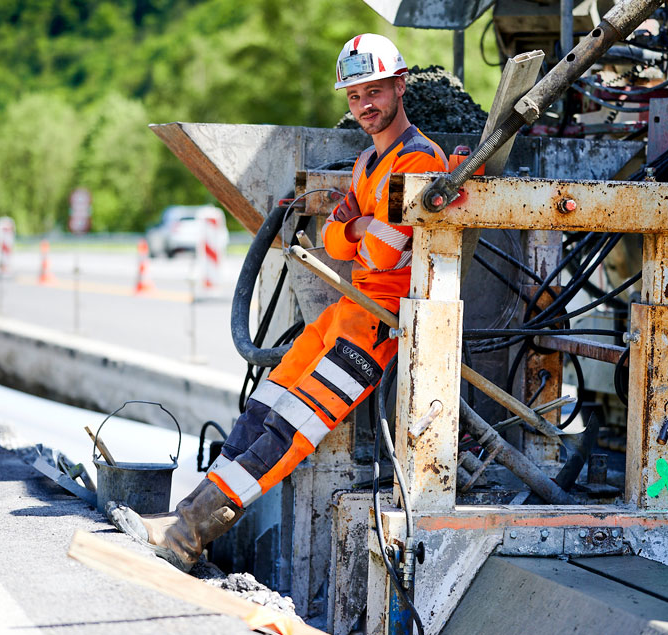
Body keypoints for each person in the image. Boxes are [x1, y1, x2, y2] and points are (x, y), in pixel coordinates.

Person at [108, 33, 448, 572]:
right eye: (355, 96)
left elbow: (382, 254)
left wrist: (353, 225)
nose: (364, 106)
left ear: (400, 86)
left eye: (374, 91)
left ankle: (190, 534)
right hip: (347, 310)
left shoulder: (419, 160)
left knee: (289, 432)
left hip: (381, 323)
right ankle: (184, 516)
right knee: (264, 407)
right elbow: (339, 242)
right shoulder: (366, 166)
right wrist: (360, 226)